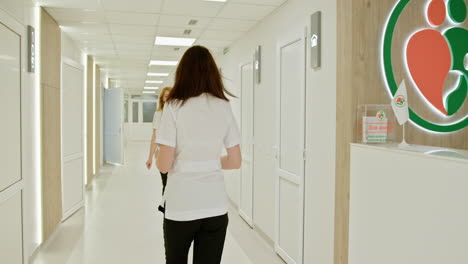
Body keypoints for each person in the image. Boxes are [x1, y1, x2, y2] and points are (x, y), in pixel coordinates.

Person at [155, 45, 242, 264]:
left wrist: (167, 158)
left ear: (183, 72)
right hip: (215, 205)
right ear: (212, 73)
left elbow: (164, 165)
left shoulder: (174, 106)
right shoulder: (223, 106)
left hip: (181, 206)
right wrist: (209, 161)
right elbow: (235, 160)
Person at [146, 86, 172, 211]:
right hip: (162, 154)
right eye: (166, 96)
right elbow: (154, 137)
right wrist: (150, 157)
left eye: (171, 96)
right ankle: (166, 209)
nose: (169, 99)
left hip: (177, 155)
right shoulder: (159, 114)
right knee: (166, 183)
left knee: (176, 184)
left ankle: (172, 209)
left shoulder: (178, 114)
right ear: (162, 99)